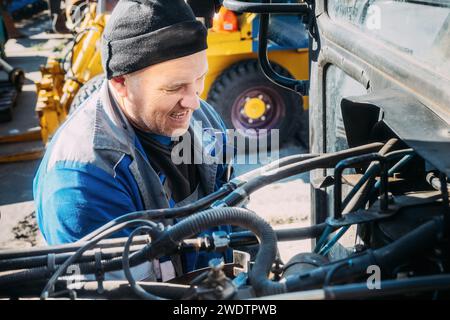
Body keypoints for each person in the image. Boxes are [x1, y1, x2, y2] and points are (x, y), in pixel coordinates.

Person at [33, 0, 234, 281]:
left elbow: (237, 218)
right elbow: (128, 290)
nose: (193, 101)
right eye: (174, 87)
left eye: (199, 79)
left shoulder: (203, 119)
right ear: (121, 83)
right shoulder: (82, 181)